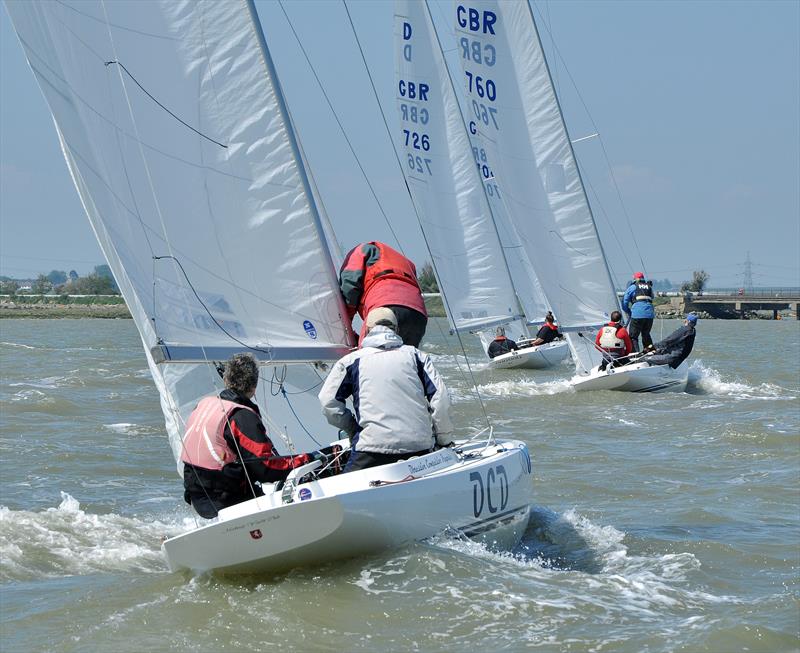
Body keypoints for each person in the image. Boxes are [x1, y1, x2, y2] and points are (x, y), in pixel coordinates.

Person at [181, 353, 328, 519]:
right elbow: (266, 468)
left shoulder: (203, 405)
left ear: (226, 379)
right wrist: (308, 459)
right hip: (226, 500)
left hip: (197, 496)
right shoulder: (241, 417)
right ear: (254, 385)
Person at [318, 308, 454, 473]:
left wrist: (352, 428)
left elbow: (327, 401)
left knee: (342, 488)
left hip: (371, 450)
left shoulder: (350, 361)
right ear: (396, 330)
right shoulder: (417, 356)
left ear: (367, 330)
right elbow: (440, 399)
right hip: (419, 448)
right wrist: (444, 440)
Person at [339, 241, 428, 347]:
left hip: (385, 306)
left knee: (369, 359)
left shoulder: (360, 251)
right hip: (418, 314)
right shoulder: (406, 262)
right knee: (406, 359)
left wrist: (345, 327)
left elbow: (349, 288)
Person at [622, 272, 655, 352]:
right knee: (646, 335)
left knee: (633, 336)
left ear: (634, 279)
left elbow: (624, 301)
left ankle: (635, 355)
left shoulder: (632, 287)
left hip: (637, 314)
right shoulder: (649, 287)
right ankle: (650, 353)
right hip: (649, 315)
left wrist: (628, 311)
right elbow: (652, 297)